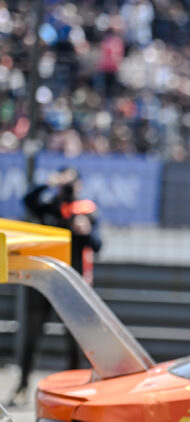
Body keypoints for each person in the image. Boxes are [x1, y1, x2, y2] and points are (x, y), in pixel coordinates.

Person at [10, 167, 102, 405]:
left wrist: (87, 231)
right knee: (30, 336)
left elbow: (98, 245)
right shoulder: (47, 205)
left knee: (75, 338)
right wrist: (48, 183)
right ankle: (22, 386)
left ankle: (73, 391)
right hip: (42, 280)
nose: (68, 187)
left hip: (72, 283)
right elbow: (28, 200)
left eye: (71, 182)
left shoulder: (86, 212)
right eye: (64, 182)